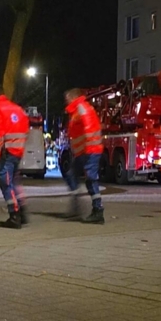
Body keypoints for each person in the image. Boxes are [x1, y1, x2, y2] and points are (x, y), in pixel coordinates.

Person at [0, 86, 29, 228]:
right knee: (14, 181)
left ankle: (14, 215)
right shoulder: (17, 108)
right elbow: (25, 130)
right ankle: (22, 210)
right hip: (18, 150)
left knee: (5, 182)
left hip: (6, 151)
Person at [63, 88, 105, 224]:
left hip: (89, 150)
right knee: (71, 174)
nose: (66, 100)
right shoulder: (76, 110)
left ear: (74, 97)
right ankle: (77, 205)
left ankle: (98, 211)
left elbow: (89, 126)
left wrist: (88, 146)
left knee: (91, 179)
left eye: (68, 97)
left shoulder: (81, 108)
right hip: (83, 151)